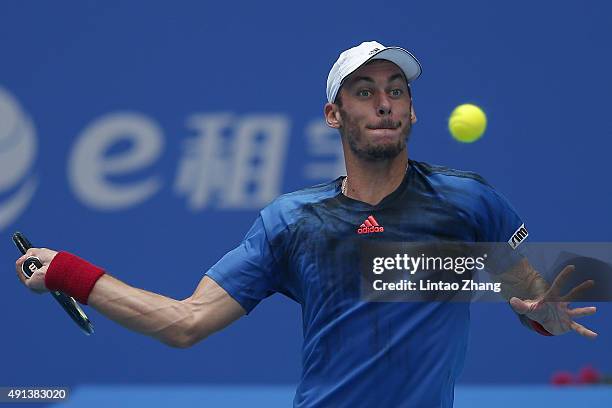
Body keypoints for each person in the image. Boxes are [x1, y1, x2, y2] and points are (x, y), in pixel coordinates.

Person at [15, 41, 597, 407]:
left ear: (413, 111)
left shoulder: (471, 203)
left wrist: (543, 315)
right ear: (333, 115)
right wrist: (67, 270)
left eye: (397, 91)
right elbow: (184, 323)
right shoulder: (292, 222)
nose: (384, 103)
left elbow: (531, 297)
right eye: (364, 93)